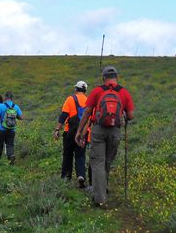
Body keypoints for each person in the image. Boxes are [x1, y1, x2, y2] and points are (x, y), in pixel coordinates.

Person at [75, 66, 135, 208]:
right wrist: (122, 115)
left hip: (98, 130)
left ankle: (99, 198)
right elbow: (131, 116)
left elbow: (87, 112)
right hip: (115, 131)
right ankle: (103, 188)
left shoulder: (97, 91)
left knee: (97, 163)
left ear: (103, 77)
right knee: (107, 161)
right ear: (116, 77)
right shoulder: (123, 92)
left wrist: (79, 131)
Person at [53, 81, 89, 187]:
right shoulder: (88, 101)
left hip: (69, 132)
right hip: (83, 132)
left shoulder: (70, 99)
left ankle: (65, 178)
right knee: (80, 155)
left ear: (76, 89)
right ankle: (81, 176)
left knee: (67, 155)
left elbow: (63, 116)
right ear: (85, 90)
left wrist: (57, 129)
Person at [0, 92, 23, 163]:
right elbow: (21, 117)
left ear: (5, 98)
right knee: (10, 144)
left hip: (1, 128)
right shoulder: (16, 106)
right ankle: (11, 156)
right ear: (12, 98)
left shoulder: (1, 106)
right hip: (12, 129)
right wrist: (15, 116)